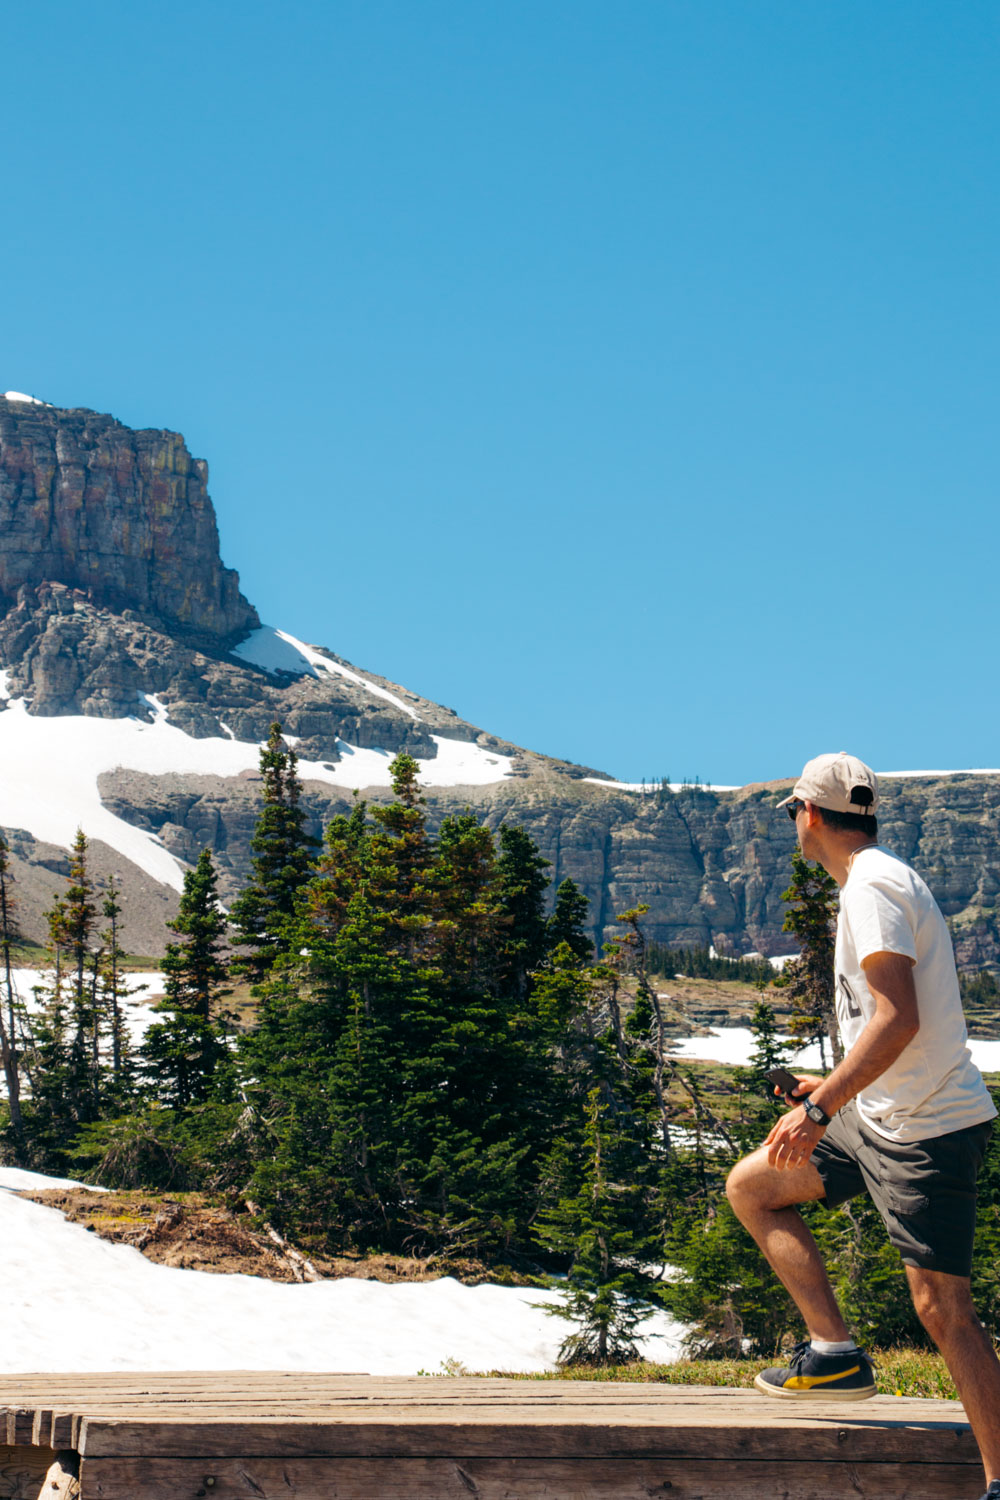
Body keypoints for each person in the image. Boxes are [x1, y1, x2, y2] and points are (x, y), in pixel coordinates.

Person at [726, 751, 1000, 1500]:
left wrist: (818, 1110)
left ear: (809, 815)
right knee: (754, 1187)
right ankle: (834, 1354)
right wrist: (834, 1090)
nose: (793, 825)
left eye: (792, 813)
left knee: (945, 1311)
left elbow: (899, 1016)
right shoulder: (876, 880)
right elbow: (896, 1026)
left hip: (926, 1129)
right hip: (876, 1115)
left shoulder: (873, 887)